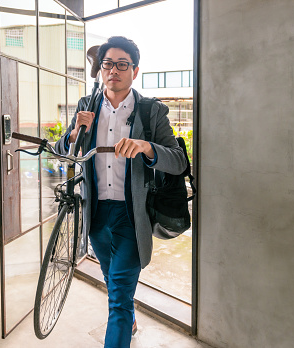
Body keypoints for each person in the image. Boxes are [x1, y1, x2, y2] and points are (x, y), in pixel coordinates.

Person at [55, 36, 186, 348]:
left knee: (118, 300)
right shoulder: (87, 107)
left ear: (134, 71)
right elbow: (64, 151)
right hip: (96, 214)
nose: (114, 70)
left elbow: (178, 160)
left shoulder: (150, 111)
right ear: (101, 70)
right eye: (108, 64)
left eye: (122, 64)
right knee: (113, 280)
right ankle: (131, 316)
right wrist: (74, 132)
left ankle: (124, 320)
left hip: (131, 215)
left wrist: (145, 146)